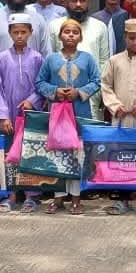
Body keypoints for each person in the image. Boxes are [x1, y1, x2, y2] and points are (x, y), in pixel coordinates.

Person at [36, 18, 101, 215]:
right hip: (57, 114)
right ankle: (58, 198)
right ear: (60, 36)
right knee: (58, 154)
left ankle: (76, 198)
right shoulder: (51, 59)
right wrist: (55, 91)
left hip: (79, 112)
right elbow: (39, 82)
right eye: (67, 32)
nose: (71, 35)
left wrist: (79, 92)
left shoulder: (87, 59)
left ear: (80, 37)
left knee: (77, 154)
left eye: (75, 32)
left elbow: (97, 81)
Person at [0, 12, 45, 214]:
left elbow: (42, 85)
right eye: (16, 32)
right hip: (10, 117)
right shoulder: (3, 57)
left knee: (31, 152)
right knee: (10, 154)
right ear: (10, 33)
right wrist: (3, 116)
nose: (20, 36)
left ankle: (31, 196)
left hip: (29, 114)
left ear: (31, 32)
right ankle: (11, 195)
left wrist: (32, 101)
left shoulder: (37, 58)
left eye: (23, 32)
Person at [48, 0, 111, 118]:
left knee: (88, 130)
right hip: (61, 95)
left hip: (91, 94)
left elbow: (104, 63)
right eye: (74, 0)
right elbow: (49, 62)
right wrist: (55, 91)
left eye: (82, 0)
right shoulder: (54, 26)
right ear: (67, 1)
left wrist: (98, 92)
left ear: (88, 1)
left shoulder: (100, 27)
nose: (78, 4)